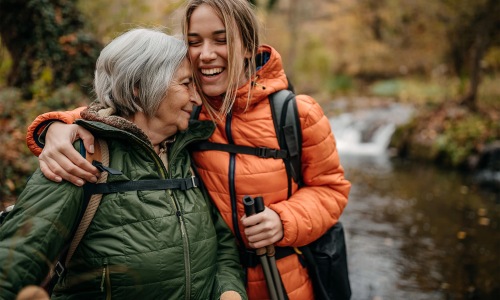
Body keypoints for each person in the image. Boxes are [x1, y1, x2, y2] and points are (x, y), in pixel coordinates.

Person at [25, 0, 352, 299]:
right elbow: (120, 110)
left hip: (282, 282)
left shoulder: (296, 113)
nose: (205, 54)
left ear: (249, 46)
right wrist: (57, 125)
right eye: (194, 42)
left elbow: (331, 189)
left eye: (221, 40)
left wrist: (285, 220)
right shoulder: (183, 109)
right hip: (207, 282)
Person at [1, 28, 247, 300]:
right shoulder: (81, 157)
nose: (197, 98)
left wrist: (230, 291)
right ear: (139, 87)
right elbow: (13, 263)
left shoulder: (186, 156)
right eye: (186, 84)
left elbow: (223, 247)